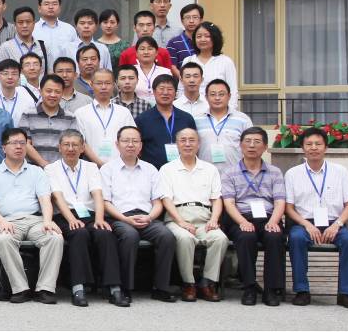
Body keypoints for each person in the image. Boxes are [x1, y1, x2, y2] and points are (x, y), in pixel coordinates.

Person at [284, 127, 348, 309]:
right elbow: (289, 208)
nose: (313, 148)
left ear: (326, 147)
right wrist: (306, 225)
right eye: (309, 144)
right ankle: (302, 290)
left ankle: (346, 293)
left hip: (334, 223)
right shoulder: (292, 173)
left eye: (318, 144)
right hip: (303, 223)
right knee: (296, 238)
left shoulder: (340, 171)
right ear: (303, 148)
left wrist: (337, 224)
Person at [0, 127, 64, 303]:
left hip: (35, 220)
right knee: (4, 238)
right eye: (14, 143)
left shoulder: (37, 172)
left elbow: (45, 201)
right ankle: (20, 288)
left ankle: (45, 289)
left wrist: (48, 221)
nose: (19, 147)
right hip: (7, 221)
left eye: (22, 143)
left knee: (54, 237)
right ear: (3, 147)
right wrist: (1, 222)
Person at [100, 125, 178, 303]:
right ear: (117, 144)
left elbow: (157, 202)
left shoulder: (150, 169)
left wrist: (150, 217)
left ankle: (161, 287)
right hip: (119, 217)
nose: (130, 144)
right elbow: (105, 203)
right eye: (126, 141)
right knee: (130, 236)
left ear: (141, 145)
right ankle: (125, 288)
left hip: (146, 217)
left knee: (167, 236)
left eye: (135, 141)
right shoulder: (107, 169)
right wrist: (125, 219)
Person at [46, 130, 123, 307]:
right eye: (66, 145)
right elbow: (57, 197)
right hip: (64, 215)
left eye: (75, 145)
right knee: (78, 233)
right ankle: (78, 287)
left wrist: (100, 218)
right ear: (59, 148)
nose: (71, 148)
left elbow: (97, 194)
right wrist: (71, 219)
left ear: (82, 148)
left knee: (105, 233)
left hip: (89, 214)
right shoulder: (51, 169)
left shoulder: (91, 167)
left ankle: (114, 288)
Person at [159, 127, 229, 302]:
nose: (187, 144)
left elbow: (216, 199)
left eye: (192, 140)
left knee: (220, 238)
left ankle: (207, 282)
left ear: (199, 144)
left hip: (205, 218)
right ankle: (188, 283)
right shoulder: (167, 169)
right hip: (177, 217)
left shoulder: (210, 169)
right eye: (183, 140)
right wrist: (181, 222)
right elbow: (166, 199)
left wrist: (214, 219)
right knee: (185, 238)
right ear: (177, 144)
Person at [219, 127, 286, 306]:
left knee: (274, 236)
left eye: (257, 142)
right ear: (240, 145)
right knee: (246, 237)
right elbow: (229, 203)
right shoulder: (229, 172)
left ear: (265, 147)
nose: (252, 145)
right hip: (241, 217)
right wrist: (242, 221)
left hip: (268, 217)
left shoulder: (275, 172)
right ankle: (249, 287)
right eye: (247, 141)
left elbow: (280, 201)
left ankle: (271, 289)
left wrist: (274, 221)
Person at [75, 69, 135, 165]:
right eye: (99, 83)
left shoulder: (124, 112)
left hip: (120, 166)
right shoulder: (81, 113)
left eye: (107, 83)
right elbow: (81, 142)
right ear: (91, 85)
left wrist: (118, 164)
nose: (103, 87)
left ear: (114, 85)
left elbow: (132, 138)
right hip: (91, 167)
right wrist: (100, 164)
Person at [136, 75, 197, 168]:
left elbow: (195, 145)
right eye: (161, 89)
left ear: (176, 93)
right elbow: (137, 148)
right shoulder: (142, 119)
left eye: (169, 89)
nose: (165, 92)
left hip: (183, 170)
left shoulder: (186, 118)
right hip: (153, 172)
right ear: (154, 92)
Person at [16, 75, 77, 167]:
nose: (53, 95)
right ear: (40, 91)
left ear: (62, 93)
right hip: (32, 169)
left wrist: (56, 168)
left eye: (57, 92)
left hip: (61, 170)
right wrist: (45, 164)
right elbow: (24, 143)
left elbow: (72, 145)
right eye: (49, 91)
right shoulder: (28, 114)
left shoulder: (70, 117)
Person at [196, 79, 252, 168]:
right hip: (205, 173)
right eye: (213, 94)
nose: (217, 98)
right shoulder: (196, 120)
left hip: (235, 173)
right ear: (206, 97)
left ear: (229, 96)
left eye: (221, 94)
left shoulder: (243, 119)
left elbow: (250, 146)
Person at [186, 22, 240, 111]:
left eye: (207, 36)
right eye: (199, 36)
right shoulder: (188, 60)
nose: (202, 39)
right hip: (192, 111)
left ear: (215, 38)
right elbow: (181, 89)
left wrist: (229, 112)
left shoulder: (226, 61)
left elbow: (233, 91)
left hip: (218, 111)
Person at [165, 3, 203, 68]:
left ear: (201, 20)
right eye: (187, 17)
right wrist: (185, 75)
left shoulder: (205, 41)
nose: (191, 21)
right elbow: (172, 67)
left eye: (195, 17)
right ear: (182, 21)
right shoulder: (173, 43)